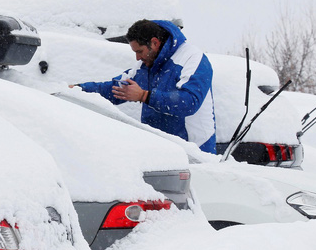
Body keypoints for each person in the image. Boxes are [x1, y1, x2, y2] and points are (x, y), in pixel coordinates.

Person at [70, 19, 216, 153]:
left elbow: (189, 102)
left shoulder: (192, 58)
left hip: (194, 151)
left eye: (139, 51)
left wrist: (144, 96)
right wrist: (78, 90)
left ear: (154, 43)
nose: (137, 58)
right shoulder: (146, 65)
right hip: (160, 148)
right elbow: (115, 89)